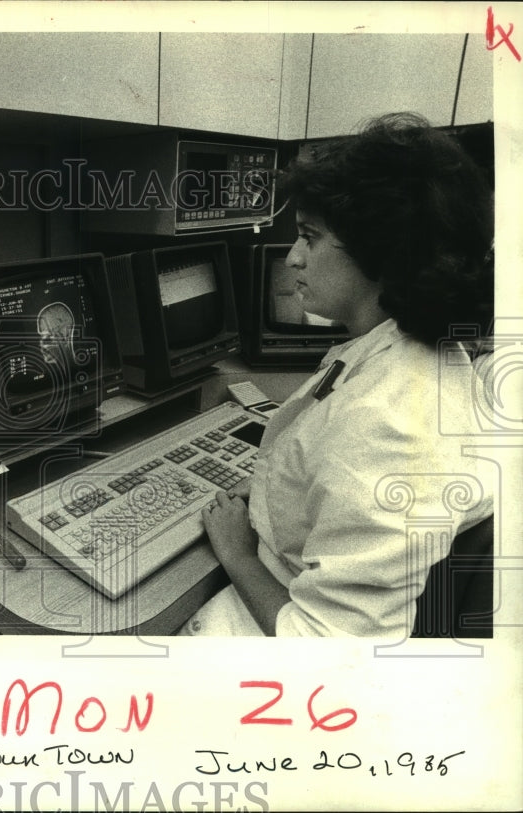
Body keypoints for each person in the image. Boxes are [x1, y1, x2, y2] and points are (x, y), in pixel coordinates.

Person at [181, 112, 495, 637]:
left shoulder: (391, 421)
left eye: (309, 236)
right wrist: (272, 487)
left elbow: (327, 649)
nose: (293, 257)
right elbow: (331, 463)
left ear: (381, 251)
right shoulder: (401, 350)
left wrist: (236, 554)